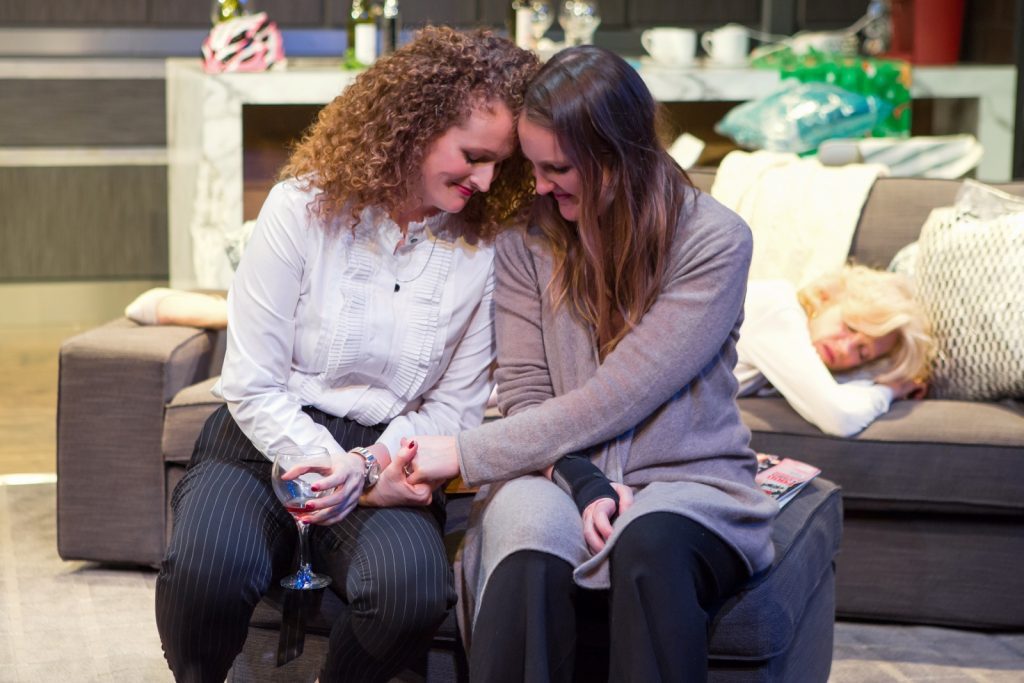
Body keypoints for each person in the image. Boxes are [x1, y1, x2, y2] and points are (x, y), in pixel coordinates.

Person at [154, 27, 538, 683]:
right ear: (415, 125)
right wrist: (332, 466)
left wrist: (367, 467)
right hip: (262, 437)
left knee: (410, 593)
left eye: (502, 162)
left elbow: (456, 404)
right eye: (473, 154)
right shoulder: (299, 208)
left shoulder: (487, 248)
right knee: (206, 567)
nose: (486, 179)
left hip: (393, 452)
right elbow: (251, 383)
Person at [401, 46, 778, 681]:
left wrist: (463, 453)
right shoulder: (527, 242)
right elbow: (525, 391)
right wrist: (584, 482)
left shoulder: (715, 241)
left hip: (687, 482)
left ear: (617, 155)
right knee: (523, 543)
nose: (541, 185)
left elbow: (623, 392)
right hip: (555, 472)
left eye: (559, 167)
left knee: (650, 545)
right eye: (536, 165)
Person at [735, 265, 935, 436]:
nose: (844, 348)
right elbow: (840, 417)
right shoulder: (777, 309)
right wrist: (892, 390)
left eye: (862, 352)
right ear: (825, 299)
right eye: (850, 327)